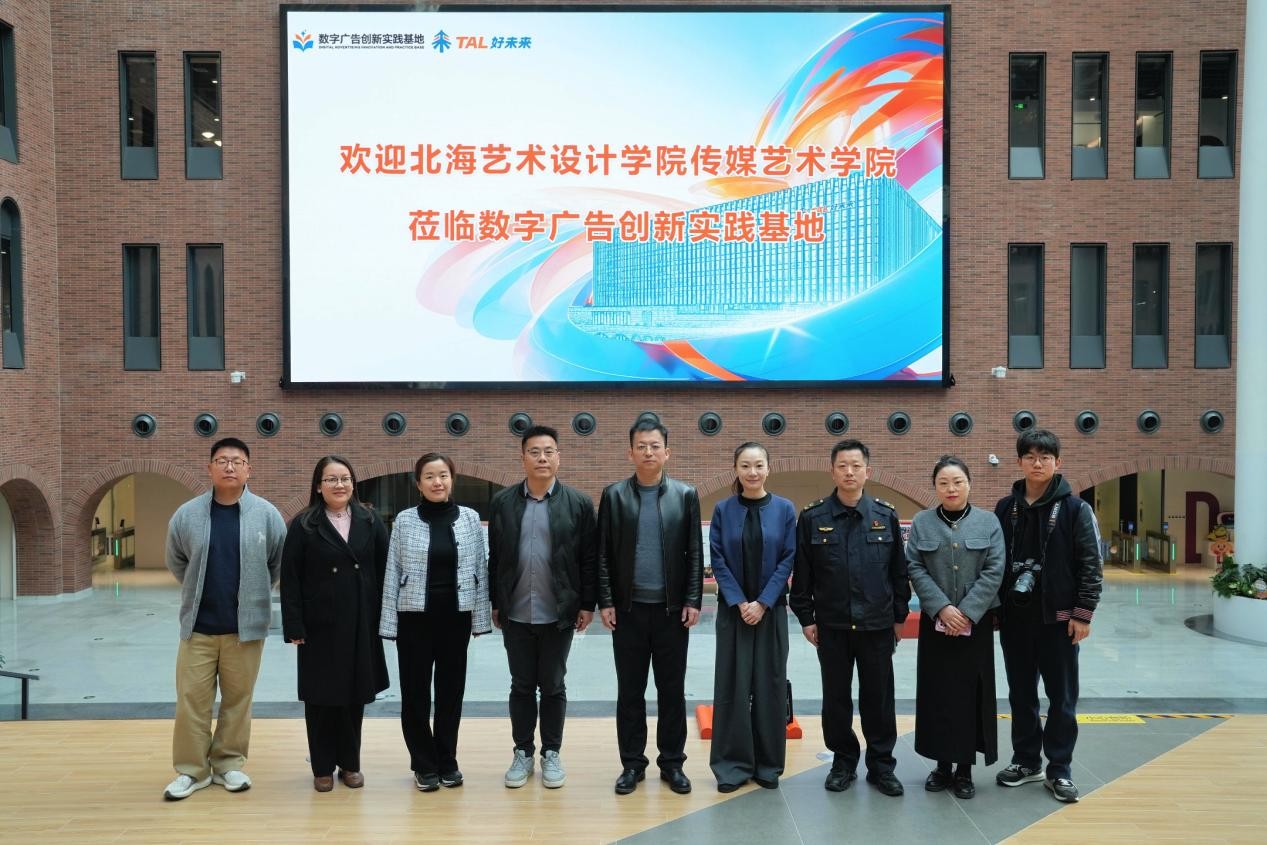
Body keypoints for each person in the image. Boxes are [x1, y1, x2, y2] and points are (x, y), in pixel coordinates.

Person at [162, 437, 287, 800]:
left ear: (249, 469)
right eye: (221, 460)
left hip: (244, 630)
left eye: (237, 461)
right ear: (210, 468)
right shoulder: (187, 514)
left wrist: (254, 593)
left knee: (238, 701)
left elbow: (277, 563)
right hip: (198, 628)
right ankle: (192, 771)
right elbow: (176, 561)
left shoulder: (267, 514)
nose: (229, 467)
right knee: (192, 702)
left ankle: (229, 764)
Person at [790, 438, 910, 797]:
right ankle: (843, 762)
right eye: (842, 466)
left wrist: (899, 617)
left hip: (877, 625)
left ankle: (881, 766)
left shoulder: (885, 516)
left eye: (856, 466)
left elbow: (899, 573)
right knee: (836, 699)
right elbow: (803, 574)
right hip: (832, 626)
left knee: (879, 699)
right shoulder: (813, 517)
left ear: (867, 471)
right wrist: (806, 618)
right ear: (832, 471)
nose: (849, 472)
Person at [993, 429, 1102, 804]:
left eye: (1045, 457)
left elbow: (1091, 564)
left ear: (1058, 462)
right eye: (1030, 456)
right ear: (1019, 461)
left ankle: (1060, 769)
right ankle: (1026, 761)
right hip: (1015, 619)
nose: (1037, 463)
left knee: (1062, 698)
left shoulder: (1075, 509)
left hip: (1059, 620)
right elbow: (994, 563)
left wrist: (1083, 614)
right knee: (1021, 695)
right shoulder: (1005, 508)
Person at [487, 424, 597, 790]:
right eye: (534, 452)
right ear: (523, 458)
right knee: (521, 685)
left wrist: (587, 604)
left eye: (549, 451)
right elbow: (496, 558)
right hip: (516, 611)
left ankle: (551, 752)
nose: (542, 458)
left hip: (558, 612)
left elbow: (588, 559)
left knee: (552, 685)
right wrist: (496, 601)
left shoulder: (578, 503)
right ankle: (522, 752)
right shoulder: (503, 502)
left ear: (559, 457)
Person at [597, 418, 703, 795]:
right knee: (630, 691)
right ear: (630, 452)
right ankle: (632, 764)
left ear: (667, 452)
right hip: (628, 611)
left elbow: (694, 553)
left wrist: (693, 599)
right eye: (641, 446)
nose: (648, 452)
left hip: (672, 612)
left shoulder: (685, 495)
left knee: (672, 691)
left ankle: (672, 763)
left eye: (655, 446)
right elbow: (603, 554)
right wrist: (606, 601)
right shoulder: (614, 496)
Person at [379, 453, 492, 792]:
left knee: (450, 694)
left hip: (455, 618)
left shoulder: (470, 519)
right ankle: (423, 764)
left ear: (452, 479)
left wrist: (480, 619)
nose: (437, 482)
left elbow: (481, 569)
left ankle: (447, 760)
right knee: (415, 695)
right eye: (429, 476)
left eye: (443, 475)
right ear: (418, 483)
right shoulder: (404, 520)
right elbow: (392, 571)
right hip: (414, 619)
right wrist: (388, 624)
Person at [280, 455, 390, 792]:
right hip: (319, 624)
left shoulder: (370, 520)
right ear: (318, 486)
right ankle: (323, 767)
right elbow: (290, 578)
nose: (339, 485)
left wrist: (386, 618)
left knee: (354, 696)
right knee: (321, 698)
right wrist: (294, 625)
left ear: (353, 484)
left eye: (345, 478)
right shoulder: (304, 524)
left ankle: (350, 764)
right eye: (331, 479)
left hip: (360, 620)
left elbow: (386, 571)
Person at [906, 455, 1005, 800]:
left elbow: (995, 570)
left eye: (958, 482)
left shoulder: (988, 522)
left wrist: (965, 612)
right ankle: (941, 765)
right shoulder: (922, 522)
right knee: (938, 694)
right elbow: (914, 567)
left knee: (970, 695)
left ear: (969, 484)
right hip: (936, 622)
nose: (951, 488)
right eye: (943, 483)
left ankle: (964, 770)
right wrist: (942, 608)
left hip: (975, 624)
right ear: (935, 487)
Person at [708, 442, 796, 793]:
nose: (752, 472)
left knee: (769, 685)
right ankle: (732, 766)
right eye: (745, 465)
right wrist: (740, 601)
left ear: (768, 468)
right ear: (736, 469)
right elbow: (717, 559)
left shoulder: (785, 509)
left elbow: (788, 558)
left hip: (770, 613)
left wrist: (762, 602)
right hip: (733, 613)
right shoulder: (723, 510)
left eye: (759, 465)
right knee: (733, 686)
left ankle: (768, 765)